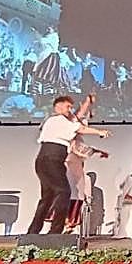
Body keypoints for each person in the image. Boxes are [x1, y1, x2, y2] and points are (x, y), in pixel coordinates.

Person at [25, 95, 110, 235]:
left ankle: (33, 232)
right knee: (64, 192)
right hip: (51, 159)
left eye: (71, 107)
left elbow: (76, 118)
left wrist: (87, 104)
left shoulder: (61, 121)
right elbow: (80, 127)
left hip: (47, 160)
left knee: (47, 197)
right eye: (67, 107)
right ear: (57, 107)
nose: (70, 110)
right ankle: (55, 232)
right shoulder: (56, 120)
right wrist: (99, 132)